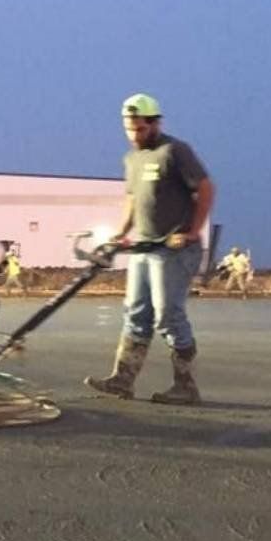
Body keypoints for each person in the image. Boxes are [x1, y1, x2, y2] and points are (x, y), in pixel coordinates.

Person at [84, 93, 215, 404]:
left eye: (140, 129)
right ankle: (122, 380)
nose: (134, 135)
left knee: (168, 315)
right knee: (135, 313)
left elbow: (206, 188)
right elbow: (132, 199)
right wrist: (120, 233)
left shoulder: (174, 151)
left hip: (174, 247)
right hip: (144, 247)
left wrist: (192, 232)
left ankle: (186, 386)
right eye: (129, 129)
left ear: (155, 123)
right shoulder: (132, 159)